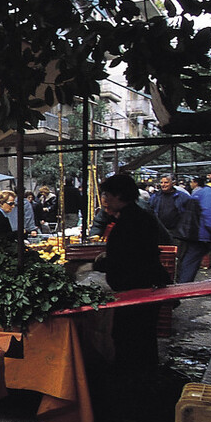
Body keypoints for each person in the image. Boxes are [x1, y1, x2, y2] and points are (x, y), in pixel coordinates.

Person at [92, 174, 171, 406]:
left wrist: (100, 262)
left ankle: (133, 393)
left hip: (136, 291)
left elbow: (126, 258)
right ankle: (142, 385)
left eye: (107, 195)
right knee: (141, 339)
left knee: (130, 339)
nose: (104, 199)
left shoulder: (131, 222)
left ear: (119, 195)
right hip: (140, 289)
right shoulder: (137, 217)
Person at [179, 168, 211, 282]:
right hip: (206, 235)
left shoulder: (206, 191)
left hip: (199, 234)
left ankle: (183, 284)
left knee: (191, 260)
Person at [149, 174, 198, 279]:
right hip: (160, 232)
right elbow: (151, 211)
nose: (163, 185)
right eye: (161, 182)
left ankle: (178, 280)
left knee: (178, 258)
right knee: (160, 256)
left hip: (177, 232)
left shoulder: (183, 197)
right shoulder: (155, 197)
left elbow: (190, 213)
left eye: (166, 182)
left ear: (173, 183)